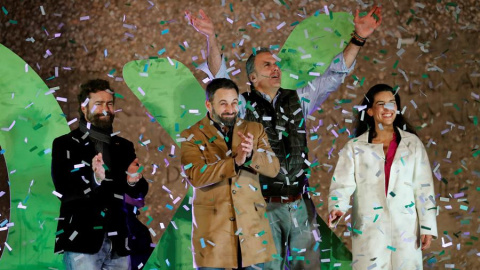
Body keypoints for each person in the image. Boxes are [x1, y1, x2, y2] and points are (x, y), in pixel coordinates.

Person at [186, 6, 382, 269]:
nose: (275, 68)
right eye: (267, 65)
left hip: (301, 204)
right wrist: (210, 37)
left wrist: (358, 38)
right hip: (260, 208)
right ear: (253, 78)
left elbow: (333, 75)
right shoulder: (241, 107)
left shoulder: (298, 99)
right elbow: (218, 76)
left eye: (276, 64)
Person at [327, 84, 438, 269]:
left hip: (405, 228)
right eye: (381, 104)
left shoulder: (412, 144)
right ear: (370, 111)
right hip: (369, 229)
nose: (388, 109)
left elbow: (424, 187)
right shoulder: (355, 147)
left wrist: (427, 226)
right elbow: (342, 184)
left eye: (392, 103)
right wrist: (338, 207)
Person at [180, 78, 280, 269]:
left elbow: (273, 168)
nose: (231, 109)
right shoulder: (190, 134)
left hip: (253, 235)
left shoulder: (254, 129)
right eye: (223, 103)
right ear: (208, 105)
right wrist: (235, 162)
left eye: (234, 102)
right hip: (212, 239)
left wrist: (251, 155)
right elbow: (195, 175)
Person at [51, 79, 151, 270]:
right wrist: (95, 180)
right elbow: (63, 189)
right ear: (84, 107)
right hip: (82, 242)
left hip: (119, 242)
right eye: (98, 104)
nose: (105, 109)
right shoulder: (64, 144)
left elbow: (141, 190)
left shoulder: (124, 146)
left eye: (109, 104)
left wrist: (132, 181)